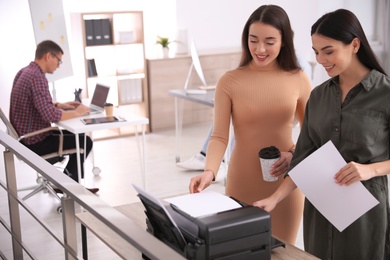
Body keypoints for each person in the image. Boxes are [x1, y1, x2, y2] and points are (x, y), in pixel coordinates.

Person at [253, 9, 390, 260]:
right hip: (320, 210)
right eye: (316, 52)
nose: (321, 59)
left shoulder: (385, 94)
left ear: (355, 44)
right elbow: (303, 159)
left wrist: (370, 169)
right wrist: (274, 199)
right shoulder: (318, 96)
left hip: (365, 214)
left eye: (328, 51)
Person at [189, 5, 312, 245]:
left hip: (285, 183)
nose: (260, 49)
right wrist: (209, 171)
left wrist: (292, 154)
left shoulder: (298, 78)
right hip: (241, 180)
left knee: (282, 252)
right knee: (240, 250)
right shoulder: (229, 81)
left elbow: (312, 134)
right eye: (253, 40)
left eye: (269, 41)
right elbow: (219, 136)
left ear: (284, 41)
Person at [10, 40, 99, 193]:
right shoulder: (37, 77)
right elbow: (50, 115)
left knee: (78, 137)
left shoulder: (25, 72)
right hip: (35, 141)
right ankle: (71, 189)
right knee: (85, 141)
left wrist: (59, 105)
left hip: (25, 138)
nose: (59, 65)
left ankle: (67, 184)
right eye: (58, 60)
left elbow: (35, 104)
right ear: (48, 56)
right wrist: (77, 112)